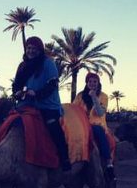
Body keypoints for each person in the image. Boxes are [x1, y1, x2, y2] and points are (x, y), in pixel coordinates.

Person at [12, 36, 71, 171]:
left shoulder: (47, 63)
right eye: (29, 48)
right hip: (26, 104)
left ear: (39, 50)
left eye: (34, 48)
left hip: (47, 105)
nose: (30, 51)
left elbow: (52, 85)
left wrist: (37, 94)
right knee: (11, 122)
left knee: (52, 126)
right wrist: (17, 93)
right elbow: (16, 85)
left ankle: (64, 157)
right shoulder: (22, 66)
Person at [73, 72, 115, 180]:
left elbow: (100, 113)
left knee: (98, 132)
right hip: (81, 124)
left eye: (94, 81)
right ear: (86, 83)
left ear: (98, 83)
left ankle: (109, 163)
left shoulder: (103, 96)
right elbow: (74, 109)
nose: (92, 83)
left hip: (97, 124)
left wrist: (94, 97)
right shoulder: (80, 96)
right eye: (90, 81)